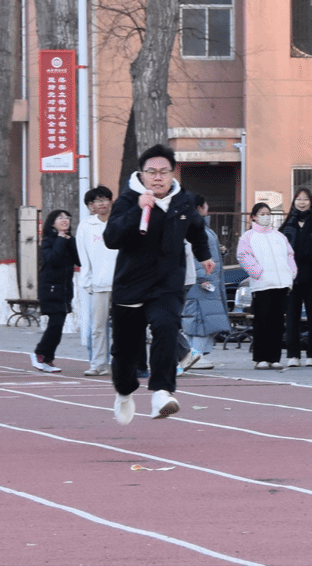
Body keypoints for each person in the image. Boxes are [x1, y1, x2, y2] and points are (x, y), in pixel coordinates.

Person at [103, 144, 213, 424]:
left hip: (167, 283)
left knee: (166, 327)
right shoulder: (128, 200)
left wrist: (205, 256)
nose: (158, 177)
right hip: (130, 284)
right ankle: (124, 392)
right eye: (151, 171)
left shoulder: (183, 201)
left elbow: (197, 229)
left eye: (164, 171)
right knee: (126, 349)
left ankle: (162, 392)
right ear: (142, 174)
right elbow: (111, 238)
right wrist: (137, 210)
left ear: (173, 174)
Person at [237, 202, 297, 370]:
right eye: (262, 214)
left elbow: (289, 255)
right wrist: (258, 273)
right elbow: (243, 256)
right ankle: (261, 357)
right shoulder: (248, 236)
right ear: (254, 217)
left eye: (268, 213)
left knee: (277, 322)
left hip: (281, 283)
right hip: (262, 284)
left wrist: (291, 273)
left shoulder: (279, 236)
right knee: (262, 320)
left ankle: (274, 357)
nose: (266, 217)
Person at [179, 195, 230, 371]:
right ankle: (196, 355)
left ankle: (193, 355)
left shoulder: (203, 228)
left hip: (206, 281)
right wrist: (202, 277)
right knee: (200, 320)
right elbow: (193, 256)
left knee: (202, 320)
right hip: (203, 282)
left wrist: (220, 252)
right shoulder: (195, 228)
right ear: (200, 208)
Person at [30, 209, 80, 373]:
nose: (65, 220)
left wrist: (70, 241)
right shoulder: (48, 241)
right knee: (55, 325)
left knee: (58, 328)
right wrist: (60, 239)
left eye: (67, 217)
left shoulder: (68, 240)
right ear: (52, 223)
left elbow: (78, 260)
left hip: (65, 290)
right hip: (51, 289)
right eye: (60, 218)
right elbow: (53, 260)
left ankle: (48, 358)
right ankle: (39, 353)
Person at [75, 186, 115, 376]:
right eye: (96, 201)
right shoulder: (86, 226)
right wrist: (87, 281)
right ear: (91, 206)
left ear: (110, 201)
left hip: (123, 283)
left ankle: (126, 362)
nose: (100, 204)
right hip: (99, 284)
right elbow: (84, 257)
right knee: (98, 327)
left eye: (103, 199)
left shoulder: (119, 222)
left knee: (125, 327)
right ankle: (98, 364)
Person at [281, 188, 312, 367]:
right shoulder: (287, 225)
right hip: (291, 278)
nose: (302, 202)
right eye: (298, 199)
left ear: (311, 202)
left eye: (305, 199)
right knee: (292, 317)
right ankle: (293, 355)